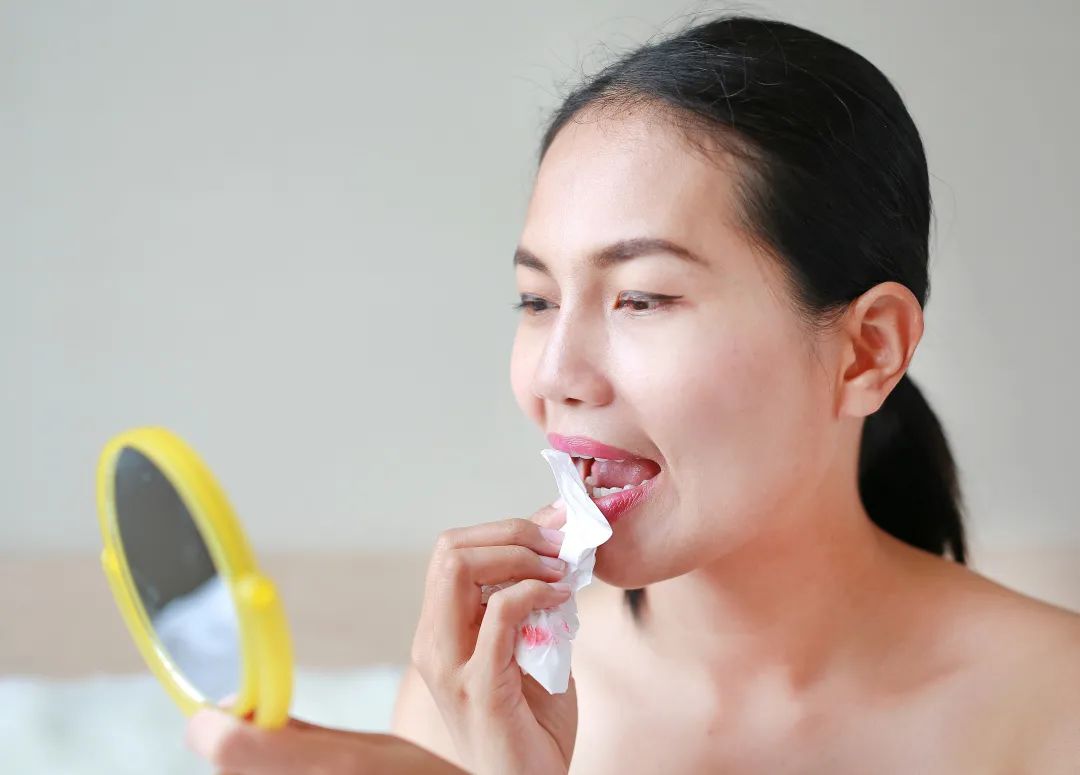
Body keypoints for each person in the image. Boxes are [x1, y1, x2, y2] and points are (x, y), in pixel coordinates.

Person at [185, 13, 1080, 773]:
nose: (554, 376)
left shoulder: (1054, 709)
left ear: (866, 352)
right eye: (537, 300)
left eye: (641, 298)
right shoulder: (480, 695)